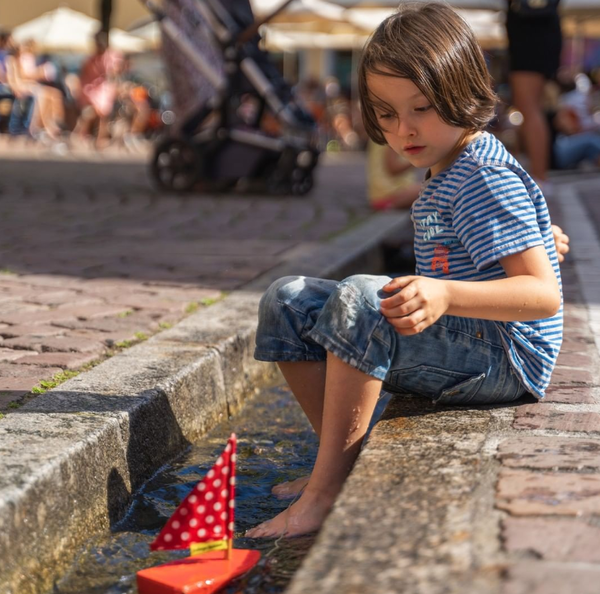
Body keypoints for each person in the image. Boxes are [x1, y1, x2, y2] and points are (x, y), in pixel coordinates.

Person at [246, 3, 564, 539]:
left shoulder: (482, 174)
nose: (404, 130)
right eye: (387, 114)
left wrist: (442, 294)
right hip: (468, 339)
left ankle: (324, 494)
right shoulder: (446, 168)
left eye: (420, 108)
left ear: (462, 93)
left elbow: (542, 295)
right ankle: (339, 459)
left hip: (508, 357)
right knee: (287, 299)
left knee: (362, 297)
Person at [505, 0, 562, 190]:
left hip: (530, 33)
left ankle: (539, 176)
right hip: (537, 30)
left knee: (529, 109)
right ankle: (538, 175)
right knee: (531, 108)